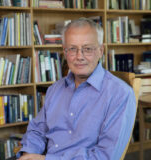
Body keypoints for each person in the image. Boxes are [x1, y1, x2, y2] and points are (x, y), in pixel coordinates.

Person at [17, 18, 136, 160]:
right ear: (65, 52)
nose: (79, 56)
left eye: (87, 49)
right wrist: (28, 154)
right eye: (73, 49)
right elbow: (37, 130)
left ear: (100, 51)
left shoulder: (120, 94)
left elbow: (105, 156)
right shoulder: (55, 89)